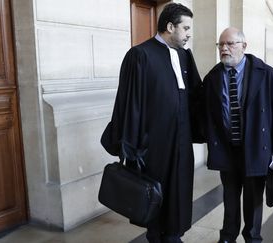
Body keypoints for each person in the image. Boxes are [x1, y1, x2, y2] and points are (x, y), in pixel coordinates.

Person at [100, 3, 202, 242]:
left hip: (182, 143)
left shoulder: (185, 55)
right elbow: (129, 104)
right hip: (154, 147)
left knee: (180, 192)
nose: (189, 34)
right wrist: (133, 146)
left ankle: (175, 235)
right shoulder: (140, 55)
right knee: (156, 197)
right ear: (169, 26)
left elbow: (197, 94)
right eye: (185, 28)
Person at [201, 27, 273, 243]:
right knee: (230, 197)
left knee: (253, 198)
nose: (224, 48)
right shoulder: (212, 77)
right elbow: (205, 112)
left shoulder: (267, 74)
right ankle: (227, 236)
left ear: (243, 46)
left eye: (230, 44)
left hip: (255, 147)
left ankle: (252, 237)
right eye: (221, 44)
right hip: (226, 148)